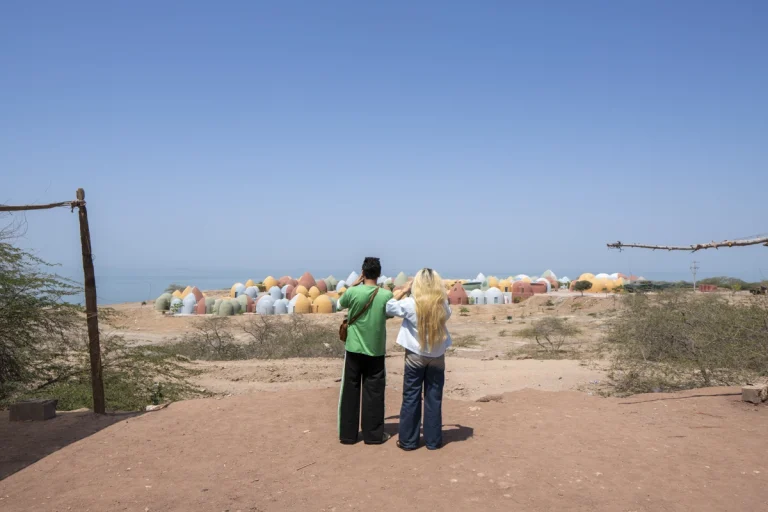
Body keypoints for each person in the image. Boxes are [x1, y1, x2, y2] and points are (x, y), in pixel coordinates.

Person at [386, 268, 452, 450]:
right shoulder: (443, 306)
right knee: (433, 398)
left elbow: (389, 305)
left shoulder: (410, 304)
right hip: (437, 356)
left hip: (415, 356)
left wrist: (404, 290)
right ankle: (433, 441)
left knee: (411, 397)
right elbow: (449, 312)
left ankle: (408, 441)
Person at [337, 257, 394, 445]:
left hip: (353, 349)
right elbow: (391, 312)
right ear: (378, 273)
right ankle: (373, 435)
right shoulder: (386, 295)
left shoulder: (353, 292)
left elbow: (339, 304)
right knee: (374, 393)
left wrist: (353, 284)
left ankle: (348, 435)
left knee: (350, 391)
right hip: (375, 350)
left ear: (363, 272)